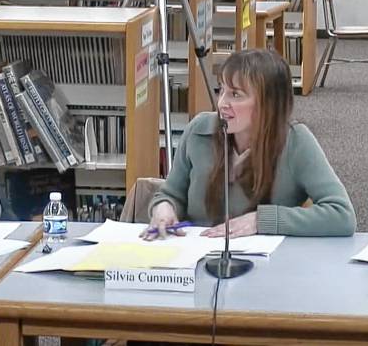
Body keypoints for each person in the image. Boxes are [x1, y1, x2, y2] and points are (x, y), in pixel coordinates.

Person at [143, 49, 356, 240]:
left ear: (268, 104)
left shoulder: (296, 141)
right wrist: (164, 208)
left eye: (235, 95)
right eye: (222, 90)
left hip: (267, 269)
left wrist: (260, 221)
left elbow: (342, 214)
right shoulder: (199, 131)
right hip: (196, 261)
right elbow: (171, 194)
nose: (222, 103)